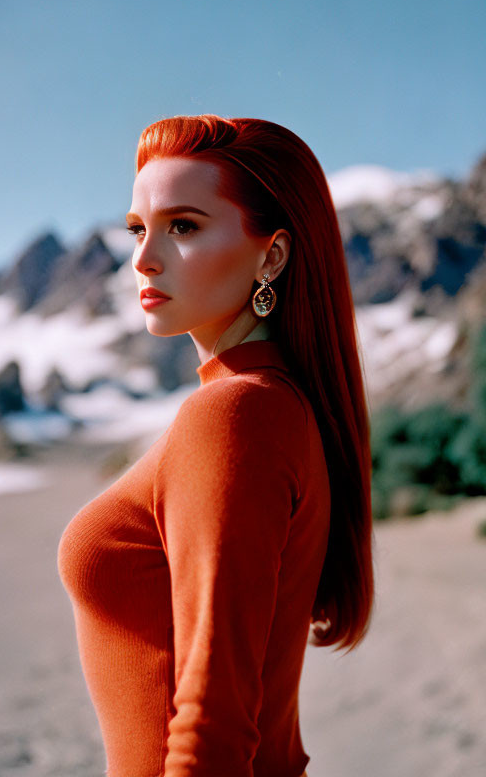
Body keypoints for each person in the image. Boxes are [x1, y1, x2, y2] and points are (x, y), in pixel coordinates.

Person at [57, 115, 374, 777]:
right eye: (137, 229)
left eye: (184, 226)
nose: (144, 258)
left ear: (273, 256)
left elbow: (215, 724)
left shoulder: (235, 415)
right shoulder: (270, 403)